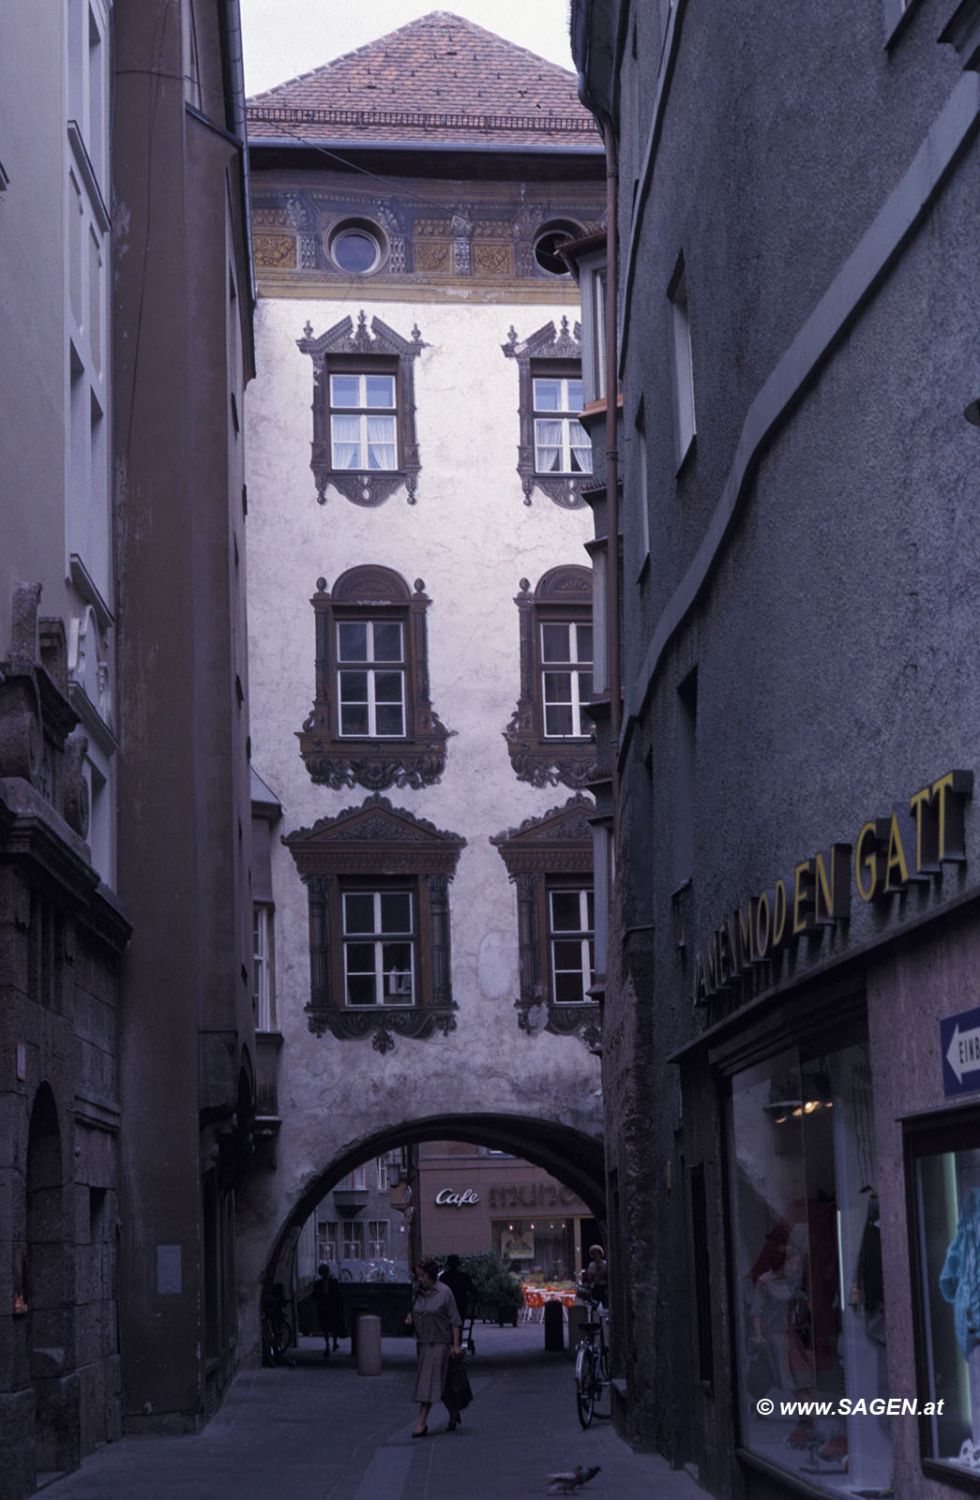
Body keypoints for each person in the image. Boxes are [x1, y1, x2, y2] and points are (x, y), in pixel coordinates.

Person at [405, 1257, 462, 1436]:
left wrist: (456, 1345)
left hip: (440, 1343)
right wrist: (411, 1317)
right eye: (417, 1276)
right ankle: (453, 1413)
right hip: (422, 1343)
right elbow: (417, 1309)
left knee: (428, 1382)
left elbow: (454, 1321)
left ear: (431, 1275)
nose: (419, 1279)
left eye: (422, 1276)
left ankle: (421, 1424)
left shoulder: (445, 1293)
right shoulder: (418, 1292)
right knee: (440, 1383)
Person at [311, 1262, 345, 1357]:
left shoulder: (319, 1284)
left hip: (327, 1308)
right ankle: (332, 1343)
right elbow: (339, 1297)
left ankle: (330, 1344)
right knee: (330, 1327)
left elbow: (314, 1296)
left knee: (329, 1327)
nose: (324, 1275)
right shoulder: (333, 1283)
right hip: (329, 1308)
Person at [440, 1254, 477, 1323]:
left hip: (446, 1306)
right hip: (460, 1306)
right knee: (459, 1325)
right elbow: (473, 1291)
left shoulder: (443, 1277)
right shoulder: (464, 1277)